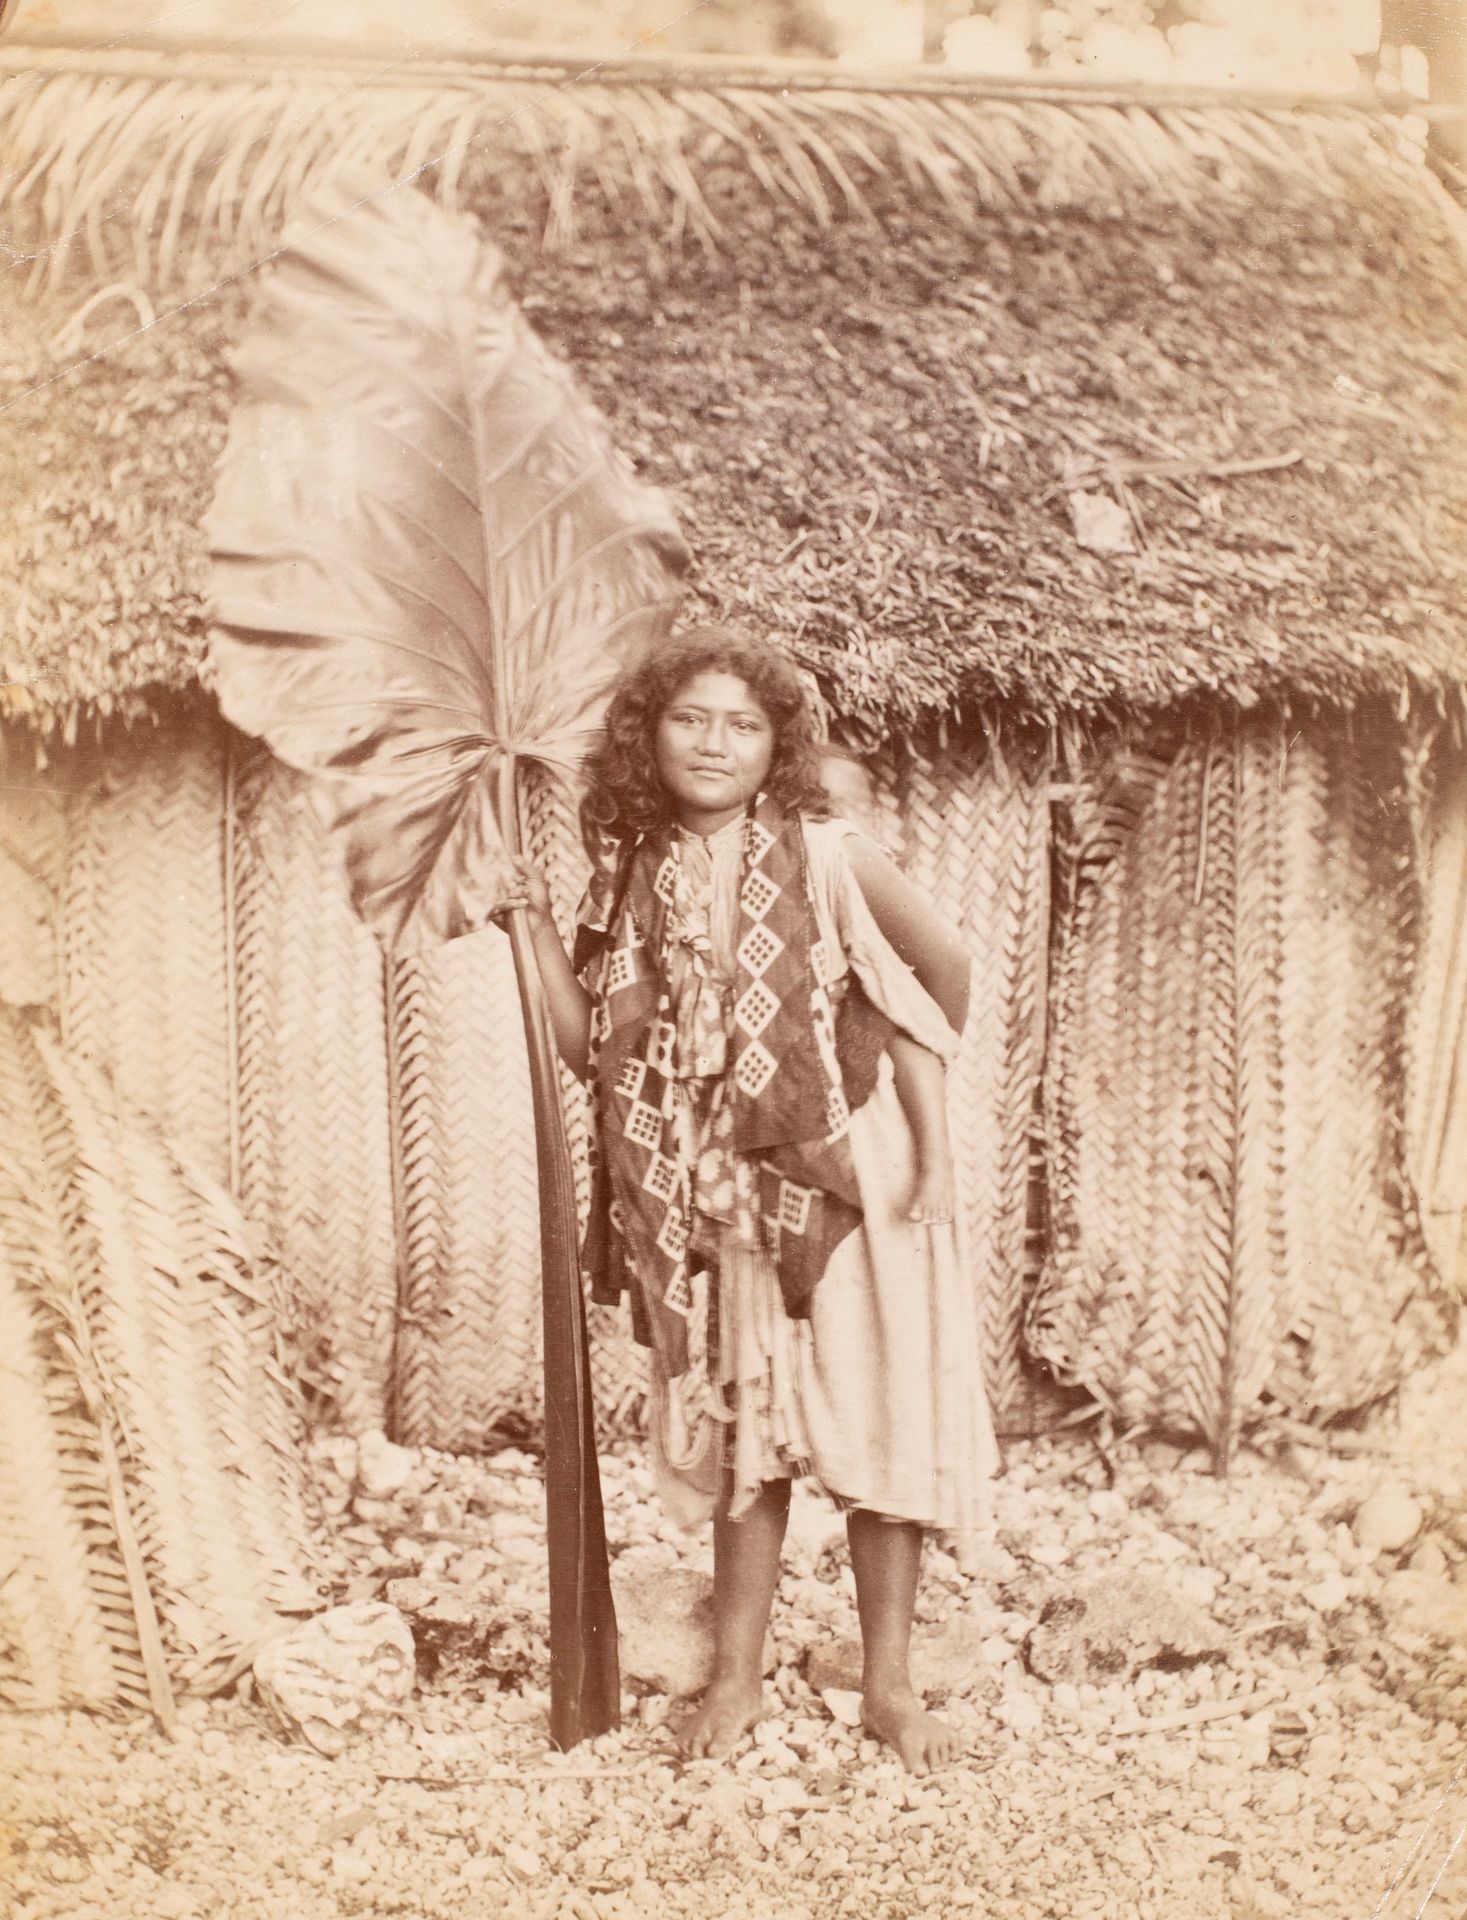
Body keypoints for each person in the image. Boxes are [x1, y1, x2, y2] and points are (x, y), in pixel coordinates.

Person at [501, 626, 998, 1775]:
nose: (714, 743)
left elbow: (948, 967)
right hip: (711, 1184)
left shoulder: (827, 854)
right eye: (690, 719)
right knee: (743, 1429)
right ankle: (734, 1681)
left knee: (878, 1409)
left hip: (850, 1167)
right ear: (649, 735)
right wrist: (526, 924)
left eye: (743, 724)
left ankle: (888, 1686)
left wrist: (872, 1086)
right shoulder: (628, 875)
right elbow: (590, 1051)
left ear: (777, 744)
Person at [814, 744, 956, 1232]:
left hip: (877, 997)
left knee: (909, 1041)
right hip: (835, 999)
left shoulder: (861, 858)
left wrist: (930, 1031)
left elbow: (941, 959)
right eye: (817, 803)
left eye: (845, 805)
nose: (830, 815)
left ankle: (938, 1165)